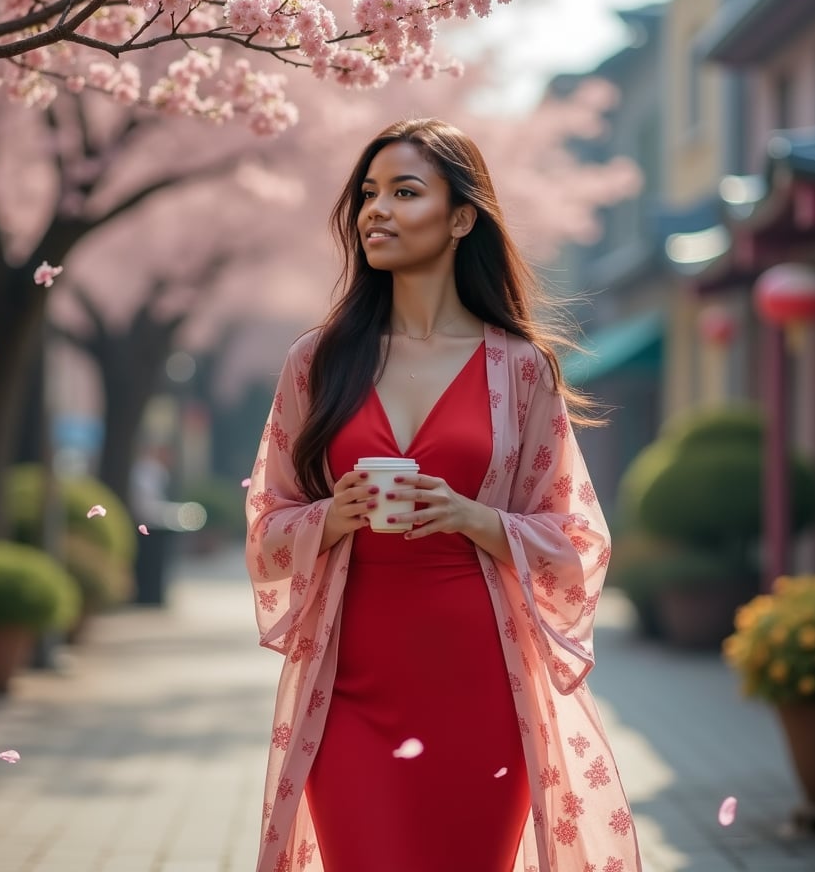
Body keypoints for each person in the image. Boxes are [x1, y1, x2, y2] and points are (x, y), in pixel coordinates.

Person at [245, 118, 642, 872]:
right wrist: (333, 516)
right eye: (367, 194)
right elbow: (267, 524)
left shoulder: (522, 370)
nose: (376, 212)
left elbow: (579, 539)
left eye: (404, 192)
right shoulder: (318, 362)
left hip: (482, 693)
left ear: (462, 218)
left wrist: (478, 519)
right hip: (348, 694)